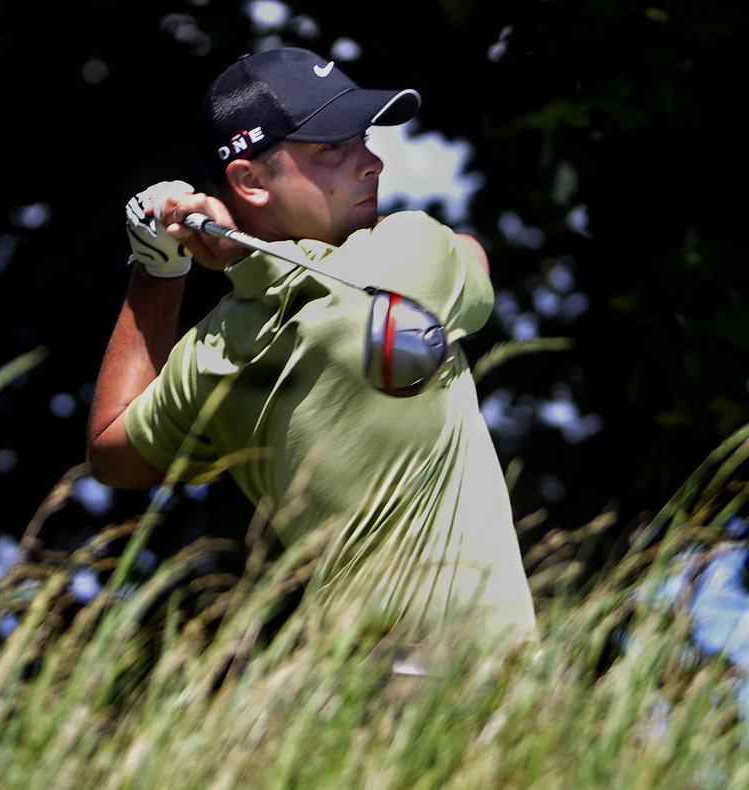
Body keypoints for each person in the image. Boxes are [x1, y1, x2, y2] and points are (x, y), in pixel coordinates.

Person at [87, 47, 537, 668]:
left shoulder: (213, 352)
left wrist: (159, 268)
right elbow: (472, 252)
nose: (373, 162)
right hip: (481, 683)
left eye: (364, 140)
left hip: (350, 695)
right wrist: (243, 259)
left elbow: (112, 448)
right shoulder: (408, 255)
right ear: (249, 182)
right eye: (333, 149)